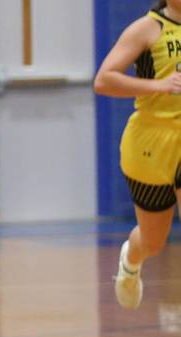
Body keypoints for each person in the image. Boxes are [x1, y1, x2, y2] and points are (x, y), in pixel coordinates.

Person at [94, 0, 181, 309]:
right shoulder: (147, 28)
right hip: (151, 143)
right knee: (153, 241)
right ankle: (131, 259)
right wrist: (158, 85)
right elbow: (104, 80)